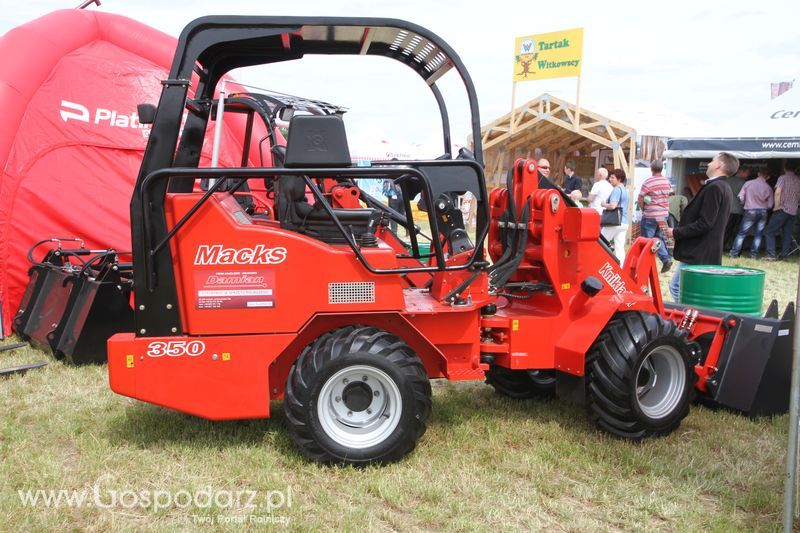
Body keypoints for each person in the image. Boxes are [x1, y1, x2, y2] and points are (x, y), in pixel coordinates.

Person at [667, 152, 738, 301]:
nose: (709, 164)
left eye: (712, 161)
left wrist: (676, 232)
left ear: (719, 165)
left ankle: (691, 315)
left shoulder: (715, 187)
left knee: (678, 288)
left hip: (699, 252)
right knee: (692, 291)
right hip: (704, 251)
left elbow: (705, 223)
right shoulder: (722, 187)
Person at [729, 169, 773, 259]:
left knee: (741, 233)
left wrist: (745, 203)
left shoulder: (748, 183)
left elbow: (740, 197)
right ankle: (753, 255)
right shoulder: (768, 187)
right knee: (758, 234)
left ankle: (733, 254)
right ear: (768, 177)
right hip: (763, 212)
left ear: (758, 174)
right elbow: (770, 204)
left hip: (750, 210)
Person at [638, 160, 673, 273]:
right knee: (659, 238)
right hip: (663, 215)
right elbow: (667, 195)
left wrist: (644, 208)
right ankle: (666, 259)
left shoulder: (648, 182)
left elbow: (641, 198)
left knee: (647, 241)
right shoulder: (667, 182)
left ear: (651, 169)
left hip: (651, 215)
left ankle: (646, 266)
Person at [763, 162, 800, 261]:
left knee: (769, 231)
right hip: (793, 211)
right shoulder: (798, 180)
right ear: (795, 169)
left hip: (782, 209)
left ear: (784, 168)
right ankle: (784, 255)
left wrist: (776, 205)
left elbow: (778, 192)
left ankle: (770, 254)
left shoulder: (782, 178)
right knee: (787, 234)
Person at [600, 168, 629, 262]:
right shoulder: (626, 190)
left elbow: (613, 206)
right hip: (624, 222)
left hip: (614, 221)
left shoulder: (616, 190)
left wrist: (604, 204)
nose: (610, 179)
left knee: (601, 243)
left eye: (613, 177)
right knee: (620, 248)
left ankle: (599, 263)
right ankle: (621, 267)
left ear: (619, 179)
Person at [723, 166, 748, 249]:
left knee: (725, 230)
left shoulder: (727, 180)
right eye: (747, 172)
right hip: (738, 210)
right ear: (741, 171)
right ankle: (733, 248)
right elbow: (744, 197)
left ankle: (721, 247)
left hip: (726, 209)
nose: (748, 175)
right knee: (735, 231)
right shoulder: (744, 183)